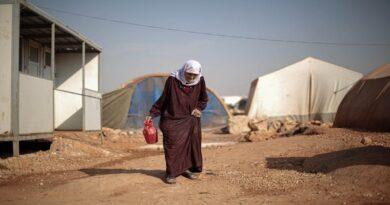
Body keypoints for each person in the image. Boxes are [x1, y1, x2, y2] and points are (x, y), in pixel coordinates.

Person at [146, 60, 208, 184]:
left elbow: (203, 99)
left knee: (189, 146)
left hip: (190, 119)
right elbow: (164, 98)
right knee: (172, 146)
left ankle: (185, 169)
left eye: (194, 75)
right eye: (188, 73)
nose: (191, 77)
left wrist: (198, 108)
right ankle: (171, 173)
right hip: (172, 118)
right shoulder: (173, 80)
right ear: (184, 70)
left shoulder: (200, 80)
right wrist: (152, 113)